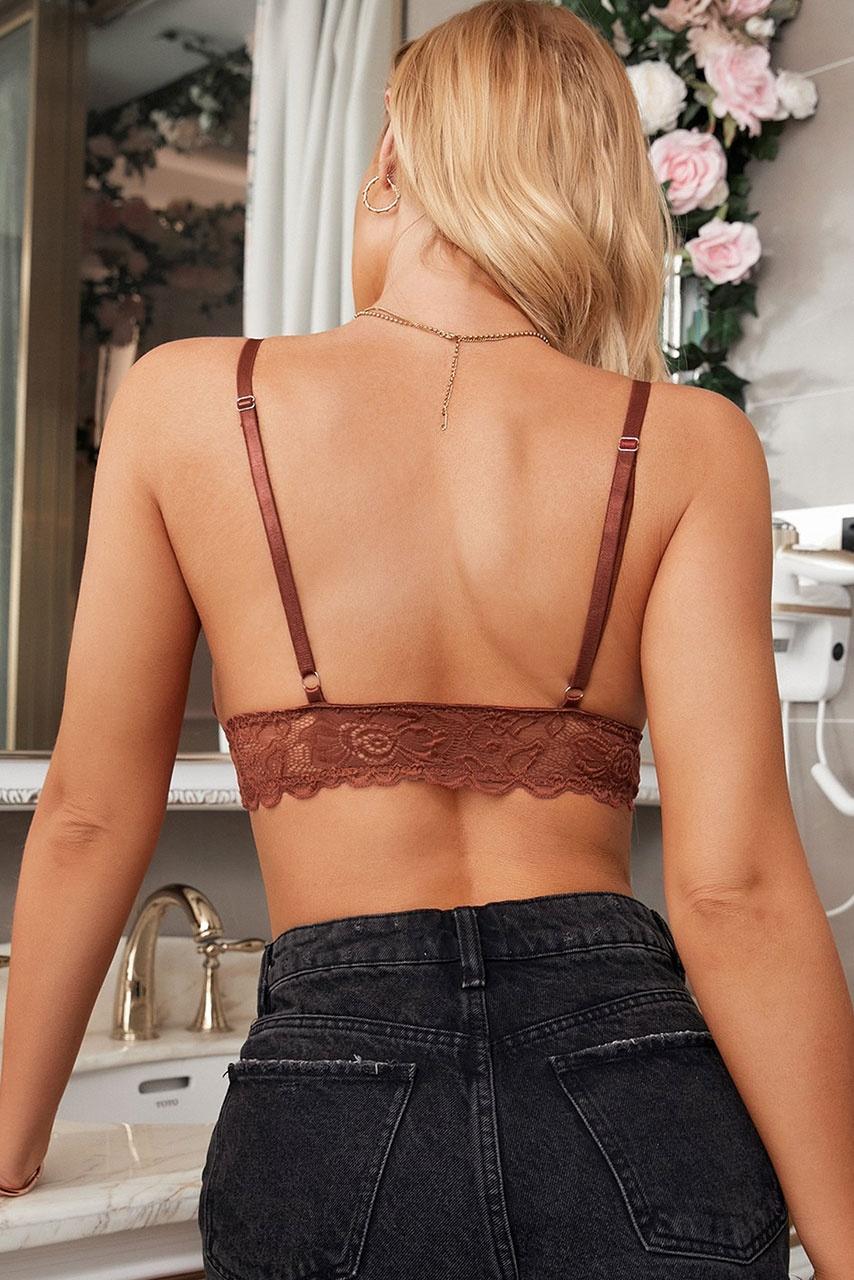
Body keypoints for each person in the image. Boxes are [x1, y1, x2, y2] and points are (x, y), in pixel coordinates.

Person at [0, 1, 851, 1276]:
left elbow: (84, 816)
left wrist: (11, 1136)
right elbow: (733, 889)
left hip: (331, 1109)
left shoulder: (188, 402)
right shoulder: (684, 442)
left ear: (392, 158)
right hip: (636, 1092)